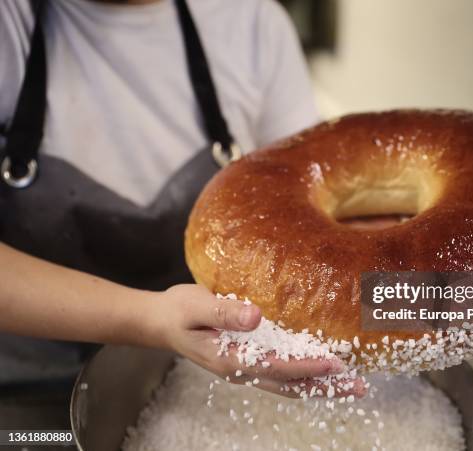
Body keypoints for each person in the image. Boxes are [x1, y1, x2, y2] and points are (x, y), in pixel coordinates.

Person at [0, 0, 364, 398]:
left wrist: (426, 301)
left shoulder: (251, 23)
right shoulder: (10, 22)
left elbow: (312, 211)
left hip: (208, 381)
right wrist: (152, 319)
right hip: (25, 391)